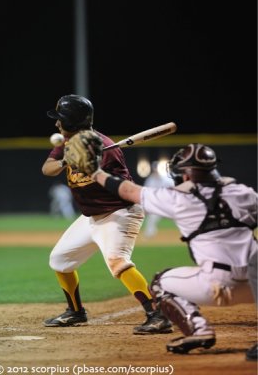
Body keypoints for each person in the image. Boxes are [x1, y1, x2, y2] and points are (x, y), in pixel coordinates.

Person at [85, 139, 257, 354]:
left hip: (216, 286)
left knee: (160, 282)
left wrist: (94, 172)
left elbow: (128, 191)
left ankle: (199, 330)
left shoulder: (177, 198)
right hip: (254, 285)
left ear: (186, 174)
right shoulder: (243, 193)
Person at [41, 94, 173, 335]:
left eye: (61, 119)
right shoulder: (67, 143)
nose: (57, 124)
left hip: (119, 212)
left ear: (72, 121)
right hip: (91, 216)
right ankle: (76, 312)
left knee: (117, 262)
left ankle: (158, 315)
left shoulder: (104, 147)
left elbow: (120, 187)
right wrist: (66, 161)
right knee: (59, 260)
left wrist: (92, 166)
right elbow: (47, 169)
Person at [143, 161, 174, 238]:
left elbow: (173, 188)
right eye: (155, 168)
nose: (156, 170)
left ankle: (187, 233)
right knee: (152, 218)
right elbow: (146, 193)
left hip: (168, 203)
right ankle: (149, 236)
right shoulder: (150, 180)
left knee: (179, 216)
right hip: (157, 204)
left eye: (156, 168)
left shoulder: (166, 178)